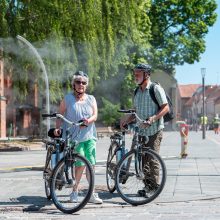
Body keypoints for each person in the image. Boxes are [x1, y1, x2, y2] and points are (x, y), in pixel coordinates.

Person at [54, 71, 102, 204]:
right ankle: (74, 191)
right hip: (74, 137)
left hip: (89, 136)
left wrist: (87, 121)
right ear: (73, 84)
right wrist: (58, 128)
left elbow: (95, 116)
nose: (81, 84)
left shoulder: (91, 99)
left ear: (86, 85)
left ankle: (92, 193)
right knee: (80, 165)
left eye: (83, 82)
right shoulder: (67, 99)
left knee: (91, 165)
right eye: (78, 82)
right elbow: (60, 115)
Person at [121, 63, 169, 194]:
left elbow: (166, 107)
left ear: (146, 74)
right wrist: (127, 120)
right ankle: (148, 186)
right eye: (134, 73)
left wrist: (153, 118)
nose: (135, 76)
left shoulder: (155, 89)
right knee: (142, 159)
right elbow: (135, 111)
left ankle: (154, 187)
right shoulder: (137, 91)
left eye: (138, 73)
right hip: (141, 130)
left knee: (152, 158)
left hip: (154, 129)